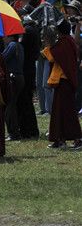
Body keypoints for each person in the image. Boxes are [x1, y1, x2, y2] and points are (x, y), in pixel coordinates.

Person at [42, 20, 82, 149]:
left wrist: (48, 45)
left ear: (60, 31)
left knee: (67, 111)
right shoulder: (68, 41)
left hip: (65, 81)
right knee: (59, 112)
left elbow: (52, 57)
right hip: (64, 81)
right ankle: (60, 139)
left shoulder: (64, 42)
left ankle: (78, 139)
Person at [1, 33, 25, 141]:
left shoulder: (12, 45)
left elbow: (2, 58)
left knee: (9, 107)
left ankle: (13, 133)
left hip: (13, 78)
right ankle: (14, 131)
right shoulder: (19, 45)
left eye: (5, 36)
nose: (3, 38)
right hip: (19, 77)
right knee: (12, 105)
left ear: (10, 36)